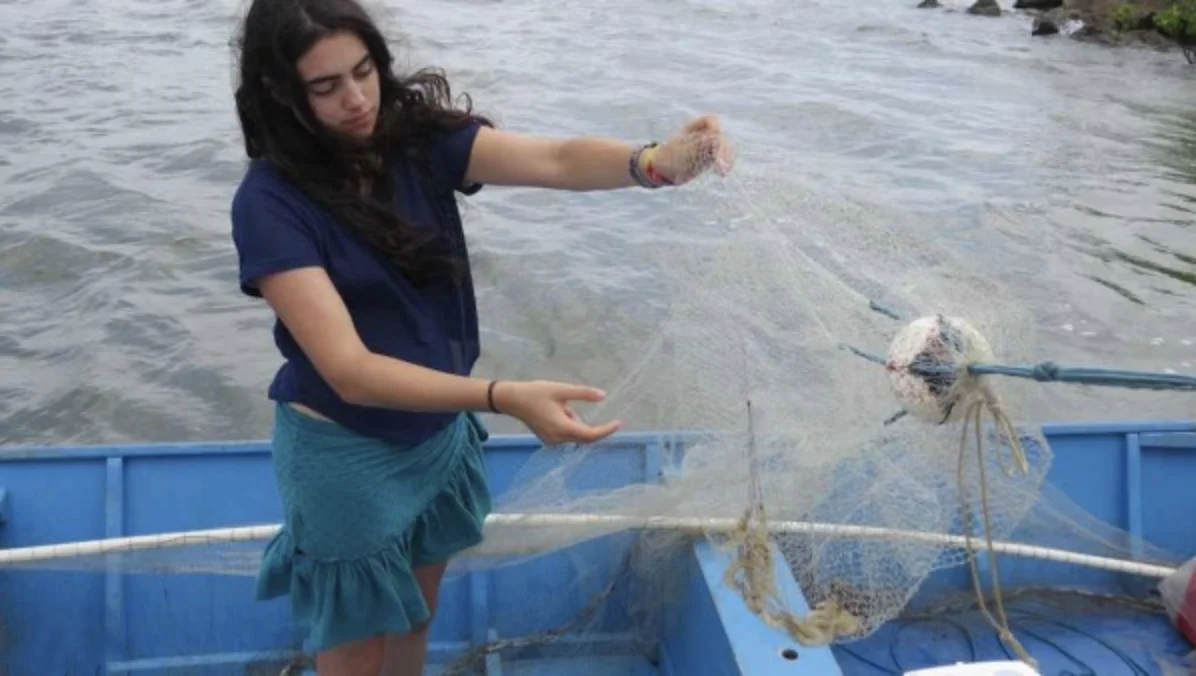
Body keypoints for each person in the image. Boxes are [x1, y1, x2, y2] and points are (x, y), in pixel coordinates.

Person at [228, 0, 733, 673]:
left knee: (416, 613)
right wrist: (501, 396)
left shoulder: (411, 139)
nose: (357, 100)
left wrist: (655, 162)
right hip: (346, 457)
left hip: (436, 435)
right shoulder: (269, 204)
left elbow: (555, 159)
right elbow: (349, 370)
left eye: (364, 71)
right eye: (326, 87)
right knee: (357, 651)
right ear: (278, 93)